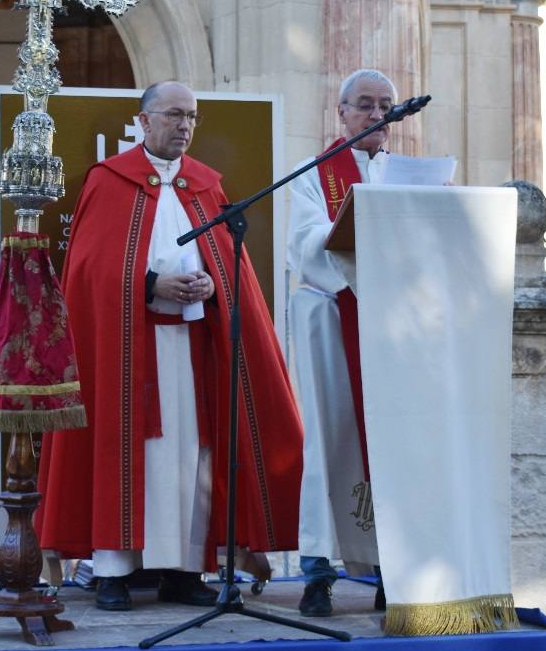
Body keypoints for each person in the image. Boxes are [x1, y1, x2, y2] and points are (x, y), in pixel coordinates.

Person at [36, 81, 303, 611]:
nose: (184, 126)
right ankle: (112, 571)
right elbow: (87, 270)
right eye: (174, 115)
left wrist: (212, 283)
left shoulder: (205, 185)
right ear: (143, 120)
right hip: (127, 347)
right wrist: (151, 283)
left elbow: (230, 265)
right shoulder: (108, 179)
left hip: (191, 346)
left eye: (192, 117)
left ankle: (184, 571)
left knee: (192, 455)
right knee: (123, 448)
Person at [287, 68, 398, 617]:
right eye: (365, 104)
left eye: (386, 106)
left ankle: (391, 570)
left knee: (392, 443)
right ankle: (318, 573)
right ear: (342, 112)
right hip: (331, 318)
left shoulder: (407, 176)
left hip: (392, 326)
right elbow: (306, 243)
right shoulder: (315, 174)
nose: (376, 115)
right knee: (328, 441)